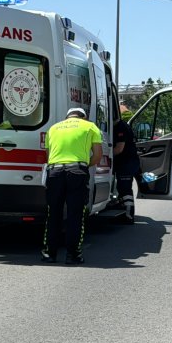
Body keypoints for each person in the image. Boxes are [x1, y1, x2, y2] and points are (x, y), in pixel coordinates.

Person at [43, 108, 103, 264]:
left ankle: (50, 253)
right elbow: (97, 155)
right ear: (83, 117)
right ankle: (72, 254)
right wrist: (84, 165)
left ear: (67, 117)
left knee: (53, 214)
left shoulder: (53, 128)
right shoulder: (90, 126)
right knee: (75, 215)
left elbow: (48, 155)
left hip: (54, 172)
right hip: (76, 172)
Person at [111, 117, 139, 222]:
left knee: (125, 189)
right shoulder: (122, 125)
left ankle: (128, 215)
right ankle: (125, 211)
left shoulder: (121, 127)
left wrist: (106, 154)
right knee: (122, 188)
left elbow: (119, 148)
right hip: (127, 162)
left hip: (126, 163)